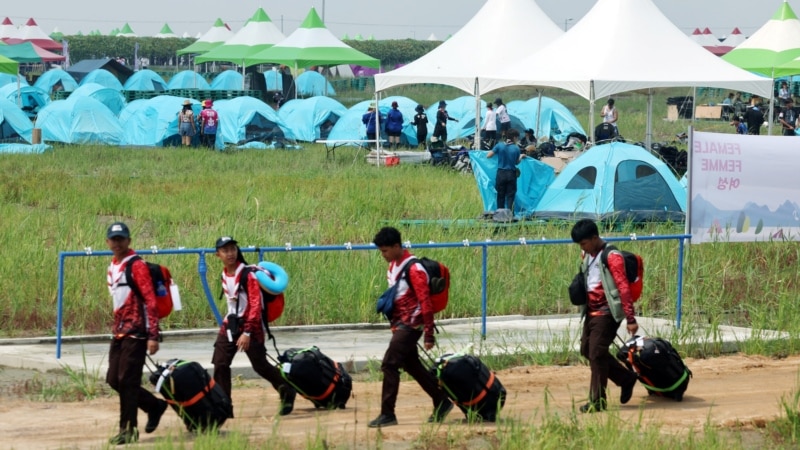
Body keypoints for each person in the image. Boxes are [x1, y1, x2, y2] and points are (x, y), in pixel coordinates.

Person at [368, 227, 453, 428]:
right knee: (411, 365)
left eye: (385, 251)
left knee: (389, 364)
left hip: (412, 324)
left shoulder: (414, 269)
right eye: (381, 251)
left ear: (397, 246)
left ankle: (387, 413)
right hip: (400, 325)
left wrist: (429, 334)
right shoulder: (392, 267)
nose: (383, 255)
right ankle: (441, 401)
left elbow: (425, 301)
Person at [211, 236, 297, 418]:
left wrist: (248, 332)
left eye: (233, 249)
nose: (230, 253)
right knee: (220, 363)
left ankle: (287, 391)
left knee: (260, 366)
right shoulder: (224, 275)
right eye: (225, 250)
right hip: (230, 325)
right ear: (217, 254)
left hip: (251, 326)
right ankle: (224, 406)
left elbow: (255, 305)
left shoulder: (248, 275)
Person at [104, 222, 168, 445]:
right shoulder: (113, 266)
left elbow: (150, 301)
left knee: (127, 380)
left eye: (121, 239)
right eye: (114, 239)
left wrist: (153, 334)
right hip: (120, 331)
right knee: (114, 379)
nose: (117, 243)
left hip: (138, 332)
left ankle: (128, 430)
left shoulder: (137, 266)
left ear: (129, 241)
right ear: (108, 242)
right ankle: (154, 406)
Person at [570, 219, 639, 413]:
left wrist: (630, 319)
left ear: (594, 238)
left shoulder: (612, 256)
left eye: (584, 243)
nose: (582, 248)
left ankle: (597, 401)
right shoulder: (588, 254)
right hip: (591, 312)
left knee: (596, 354)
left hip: (607, 313)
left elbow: (623, 287)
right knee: (586, 350)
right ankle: (626, 379)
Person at [486, 128, 523, 213]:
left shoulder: (499, 145)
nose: (517, 139)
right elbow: (516, 162)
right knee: (510, 195)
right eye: (517, 137)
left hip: (501, 174)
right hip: (511, 174)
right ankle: (510, 214)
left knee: (500, 195)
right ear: (514, 137)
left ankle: (500, 214)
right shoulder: (516, 148)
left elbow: (488, 156)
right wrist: (521, 156)